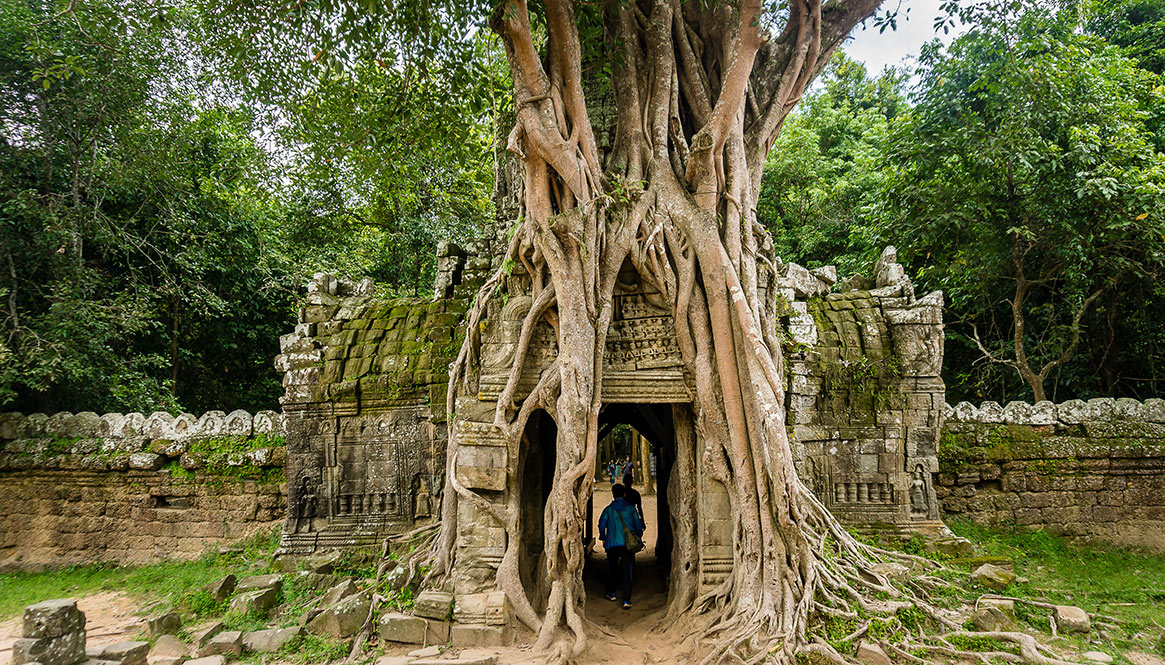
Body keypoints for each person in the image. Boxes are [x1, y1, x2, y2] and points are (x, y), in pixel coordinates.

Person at [598, 483, 645, 609]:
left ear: (613, 495)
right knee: (627, 570)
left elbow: (601, 524)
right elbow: (638, 524)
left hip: (612, 543)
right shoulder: (631, 509)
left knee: (612, 568)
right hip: (627, 545)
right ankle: (626, 599)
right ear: (624, 494)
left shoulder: (608, 509)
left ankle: (612, 593)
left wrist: (603, 537)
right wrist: (638, 535)